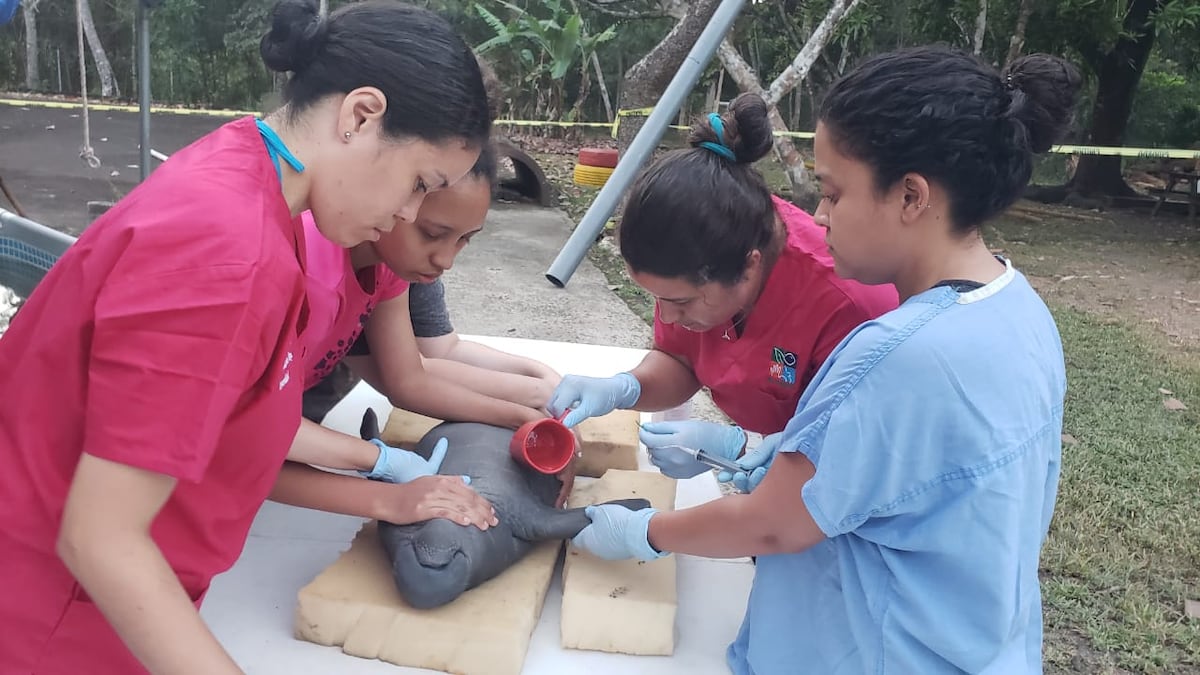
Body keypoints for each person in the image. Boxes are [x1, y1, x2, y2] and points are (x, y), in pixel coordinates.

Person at [0, 0, 493, 672]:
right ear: (359, 115)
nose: (407, 212)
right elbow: (102, 537)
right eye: (418, 183)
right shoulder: (227, 254)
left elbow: (227, 426)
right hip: (47, 619)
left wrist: (380, 483)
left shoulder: (251, 175)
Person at [569, 46, 1082, 674]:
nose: (818, 216)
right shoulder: (1018, 307)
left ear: (911, 197)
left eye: (835, 194)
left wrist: (644, 531)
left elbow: (772, 526)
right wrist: (772, 448)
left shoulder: (894, 353)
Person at [548, 93, 897, 481]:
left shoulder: (849, 305)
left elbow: (855, 458)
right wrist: (625, 387)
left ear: (750, 267)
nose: (666, 316)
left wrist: (745, 450)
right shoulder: (709, 241)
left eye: (679, 301)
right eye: (657, 299)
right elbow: (680, 359)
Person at [274, 141, 573, 521]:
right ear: (397, 199)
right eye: (432, 234)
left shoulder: (386, 266)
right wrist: (378, 469)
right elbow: (246, 435)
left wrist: (521, 418)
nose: (446, 260)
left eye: (465, 239)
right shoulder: (300, 270)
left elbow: (409, 379)